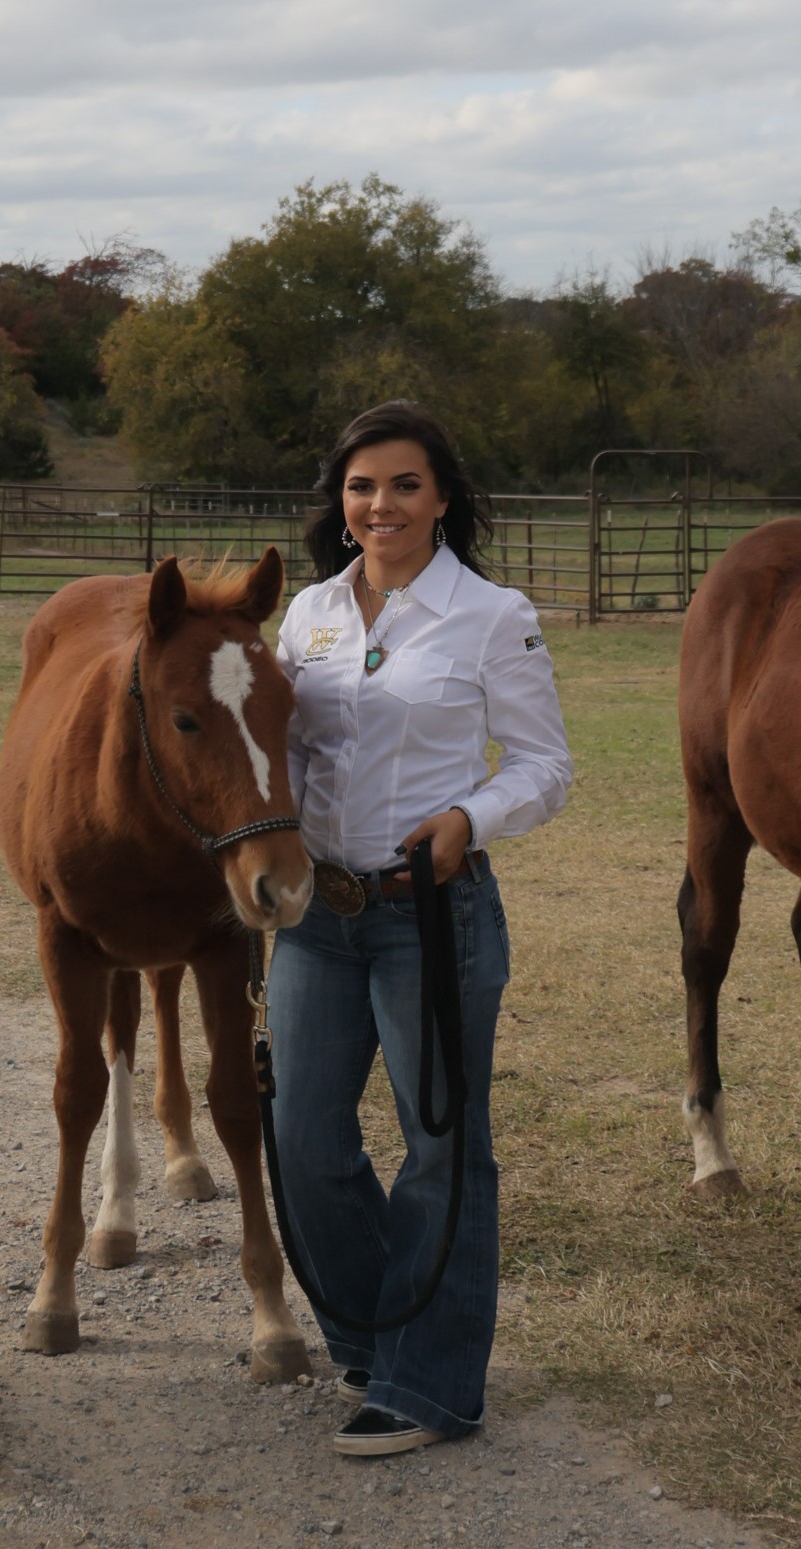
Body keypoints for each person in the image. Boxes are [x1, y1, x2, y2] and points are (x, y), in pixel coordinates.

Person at [268, 401, 573, 1457]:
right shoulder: (306, 614)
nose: (380, 505)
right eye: (361, 486)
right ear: (339, 501)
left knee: (441, 1146)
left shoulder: (490, 615)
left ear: (442, 497)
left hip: (430, 919)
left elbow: (544, 767)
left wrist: (469, 819)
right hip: (316, 915)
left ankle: (429, 1385)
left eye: (403, 484)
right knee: (302, 1140)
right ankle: (371, 1333)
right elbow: (284, 760)